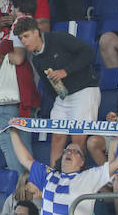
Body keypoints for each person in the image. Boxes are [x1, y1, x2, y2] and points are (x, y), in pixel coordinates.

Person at [15, 18, 99, 166]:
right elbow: (49, 86)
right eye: (21, 38)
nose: (24, 41)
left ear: (36, 32)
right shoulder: (36, 60)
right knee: (57, 137)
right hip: (63, 97)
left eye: (26, 36)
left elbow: (88, 52)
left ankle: (76, 176)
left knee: (77, 138)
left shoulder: (59, 38)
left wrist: (66, 71)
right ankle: (53, 175)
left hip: (85, 90)